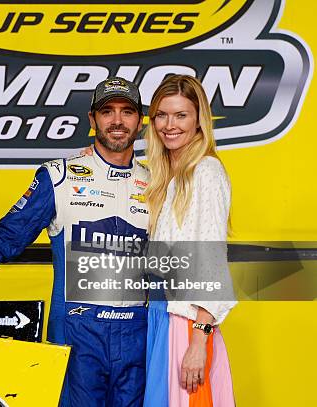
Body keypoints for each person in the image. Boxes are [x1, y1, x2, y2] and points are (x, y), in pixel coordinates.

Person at [0, 77, 151, 407]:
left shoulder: (158, 183)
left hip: (139, 333)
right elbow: (9, 236)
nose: (118, 121)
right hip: (77, 337)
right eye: (107, 112)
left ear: (140, 121)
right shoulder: (59, 176)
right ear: (92, 120)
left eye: (127, 112)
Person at [142, 75, 236, 407]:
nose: (170, 125)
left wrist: (199, 340)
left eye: (181, 115)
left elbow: (210, 261)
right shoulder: (164, 173)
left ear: (199, 120)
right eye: (162, 115)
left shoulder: (205, 172)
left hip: (187, 325)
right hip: (160, 317)